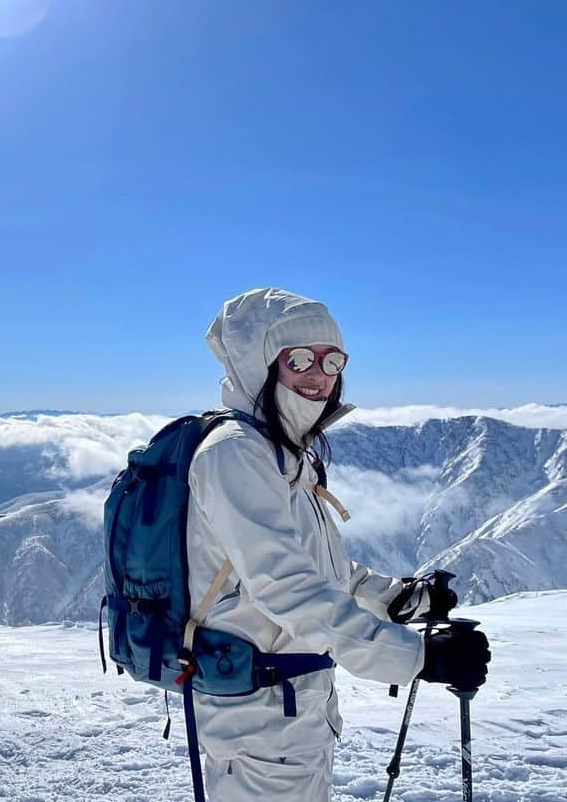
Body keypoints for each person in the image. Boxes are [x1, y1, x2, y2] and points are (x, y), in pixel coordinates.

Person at [186, 287, 490, 801]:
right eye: (298, 358)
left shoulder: (281, 454)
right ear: (260, 364)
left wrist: (403, 598)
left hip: (291, 718)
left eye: (332, 360)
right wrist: (417, 658)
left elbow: (326, 573)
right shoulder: (235, 456)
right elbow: (288, 589)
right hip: (260, 729)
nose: (319, 374)